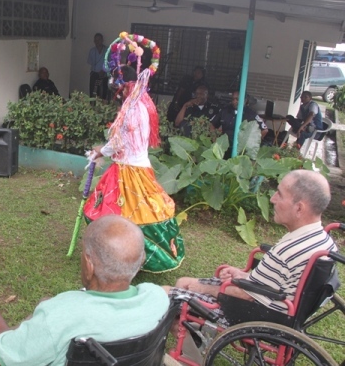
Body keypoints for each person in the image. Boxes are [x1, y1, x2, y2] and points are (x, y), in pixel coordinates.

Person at [0, 215, 170, 366]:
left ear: (89, 265)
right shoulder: (157, 299)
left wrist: (35, 318)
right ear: (140, 261)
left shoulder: (59, 317)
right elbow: (167, 292)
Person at [163, 169, 336, 326]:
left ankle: (185, 341)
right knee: (182, 282)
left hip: (253, 313)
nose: (273, 199)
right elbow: (270, 284)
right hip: (277, 307)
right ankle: (190, 338)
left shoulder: (288, 251)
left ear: (299, 208)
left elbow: (246, 295)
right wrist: (243, 275)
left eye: (280, 195)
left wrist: (205, 289)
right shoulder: (324, 242)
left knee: (166, 293)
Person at [84, 39, 185, 273]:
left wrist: (100, 151)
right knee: (138, 211)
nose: (116, 91)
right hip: (139, 167)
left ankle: (123, 256)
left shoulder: (131, 109)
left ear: (124, 85)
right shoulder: (143, 104)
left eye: (118, 87)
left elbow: (120, 141)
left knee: (122, 214)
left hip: (128, 171)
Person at [211, 90, 268, 156]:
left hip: (240, 151)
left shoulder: (251, 114)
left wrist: (251, 144)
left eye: (237, 99)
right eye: (233, 99)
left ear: (245, 100)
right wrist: (214, 139)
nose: (234, 101)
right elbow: (212, 124)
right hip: (223, 148)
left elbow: (264, 130)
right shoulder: (225, 110)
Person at [87, 33, 108, 99]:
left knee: (103, 94)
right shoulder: (92, 51)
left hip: (104, 75)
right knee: (93, 93)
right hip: (94, 74)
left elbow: (110, 63)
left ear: (102, 40)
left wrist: (104, 70)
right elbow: (90, 63)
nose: (97, 42)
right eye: (95, 40)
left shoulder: (107, 50)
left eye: (99, 40)